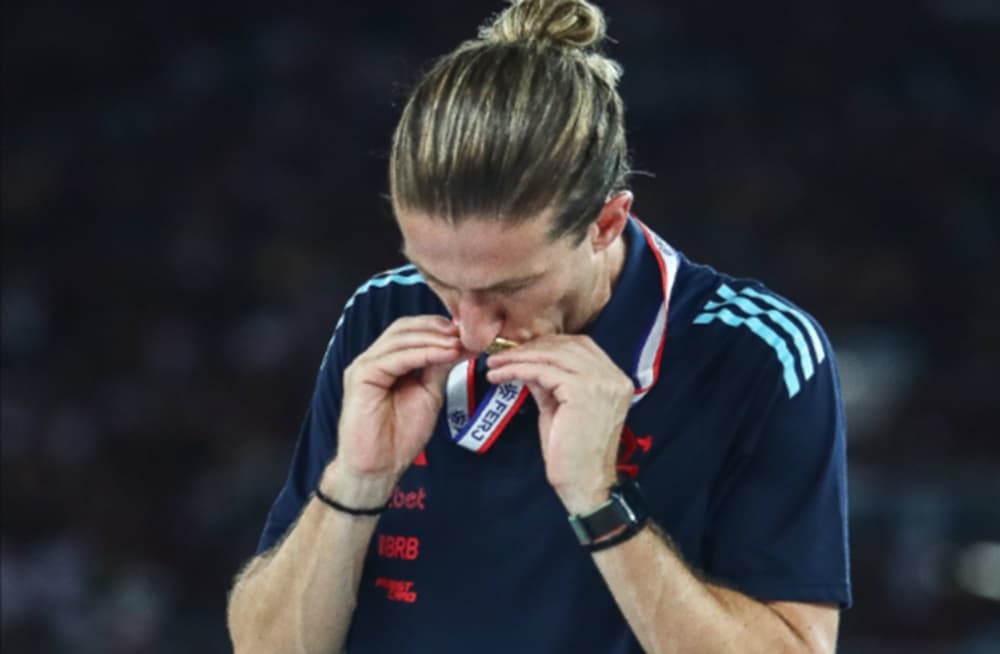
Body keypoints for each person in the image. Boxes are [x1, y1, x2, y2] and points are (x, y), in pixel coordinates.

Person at [226, 1, 851, 652]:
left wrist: (599, 501)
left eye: (510, 288)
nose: (470, 329)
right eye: (438, 278)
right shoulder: (383, 313)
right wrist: (354, 483)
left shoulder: (754, 353)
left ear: (605, 224)